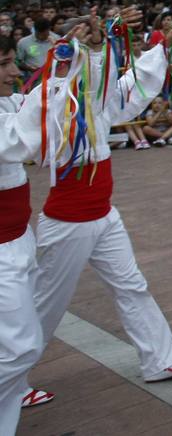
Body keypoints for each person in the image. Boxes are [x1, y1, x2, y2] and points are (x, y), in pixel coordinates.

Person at [28, 13, 172, 400]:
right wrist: (86, 49)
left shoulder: (98, 101)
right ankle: (9, 383)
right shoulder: (53, 104)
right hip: (67, 221)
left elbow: (132, 86)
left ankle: (160, 359)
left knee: (132, 285)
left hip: (104, 216)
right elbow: (80, 83)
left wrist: (162, 45)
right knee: (45, 303)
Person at [0, 34, 73, 426]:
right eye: (5, 64)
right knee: (20, 350)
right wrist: (56, 78)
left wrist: (65, 66)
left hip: (16, 240)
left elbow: (33, 114)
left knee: (15, 347)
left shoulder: (6, 101)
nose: (14, 72)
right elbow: (19, 139)